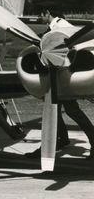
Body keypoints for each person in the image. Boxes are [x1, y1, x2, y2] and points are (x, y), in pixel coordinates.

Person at [26, 10, 94, 160]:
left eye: (40, 14)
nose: (38, 17)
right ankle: (60, 140)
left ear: (47, 13)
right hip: (55, 74)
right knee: (56, 110)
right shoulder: (52, 27)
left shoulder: (62, 25)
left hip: (63, 75)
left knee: (71, 110)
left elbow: (74, 44)